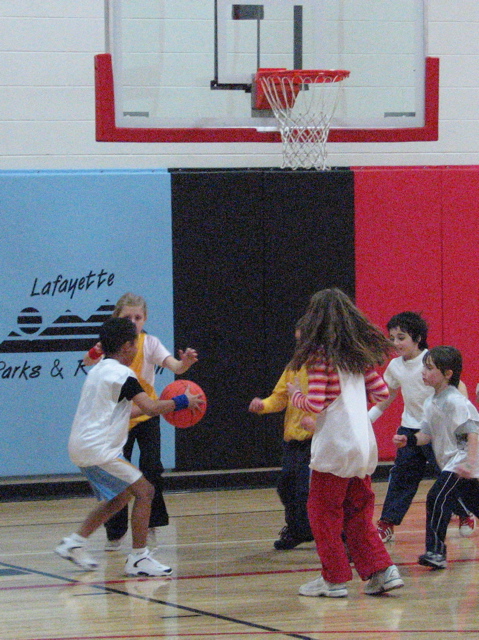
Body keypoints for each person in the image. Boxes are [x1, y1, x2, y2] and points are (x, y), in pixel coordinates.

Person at [56, 317, 204, 575]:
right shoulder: (123, 375)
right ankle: (138, 558)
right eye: (135, 344)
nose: (137, 349)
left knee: (122, 496)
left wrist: (163, 404)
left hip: (82, 446)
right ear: (127, 346)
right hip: (98, 449)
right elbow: (151, 408)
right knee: (146, 491)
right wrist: (182, 401)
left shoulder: (99, 371)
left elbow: (131, 411)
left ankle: (74, 543)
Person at [286, 288, 404, 597]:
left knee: (323, 513)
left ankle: (334, 579)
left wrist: (294, 395)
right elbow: (381, 393)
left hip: (336, 445)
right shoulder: (358, 357)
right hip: (363, 443)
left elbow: (314, 403)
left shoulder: (319, 357)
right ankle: (382, 570)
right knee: (358, 512)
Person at [84, 292, 198, 550]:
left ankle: (150, 524)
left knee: (152, 469)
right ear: (117, 318)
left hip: (146, 414)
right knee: (118, 477)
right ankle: (115, 532)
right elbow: (88, 360)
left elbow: (175, 367)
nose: (134, 322)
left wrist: (185, 363)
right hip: (119, 419)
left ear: (145, 319)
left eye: (138, 317)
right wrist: (95, 350)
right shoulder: (111, 345)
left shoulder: (150, 343)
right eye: (128, 317)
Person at [369, 312, 474, 543]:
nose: (396, 343)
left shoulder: (433, 360)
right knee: (402, 477)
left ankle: (465, 513)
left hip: (437, 432)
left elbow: (459, 387)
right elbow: (388, 396)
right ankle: (387, 523)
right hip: (409, 430)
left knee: (447, 477)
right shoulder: (395, 366)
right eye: (392, 338)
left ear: (417, 338)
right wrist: (368, 419)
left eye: (401, 338)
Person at [393, 346, 479, 570]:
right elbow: (426, 435)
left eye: (430, 368)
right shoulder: (430, 402)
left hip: (461, 462)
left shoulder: (456, 401)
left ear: (447, 374)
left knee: (436, 497)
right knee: (474, 503)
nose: (423, 372)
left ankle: (436, 552)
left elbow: (473, 431)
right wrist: (408, 440)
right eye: (424, 367)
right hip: (455, 465)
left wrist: (470, 462)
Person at [248, 318, 314, 550]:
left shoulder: (327, 367)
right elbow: (279, 397)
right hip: (293, 441)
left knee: (308, 490)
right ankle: (297, 530)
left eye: (304, 340)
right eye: (298, 341)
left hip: (316, 439)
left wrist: (317, 423)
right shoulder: (294, 367)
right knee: (286, 487)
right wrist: (263, 405)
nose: (301, 346)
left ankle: (337, 532)